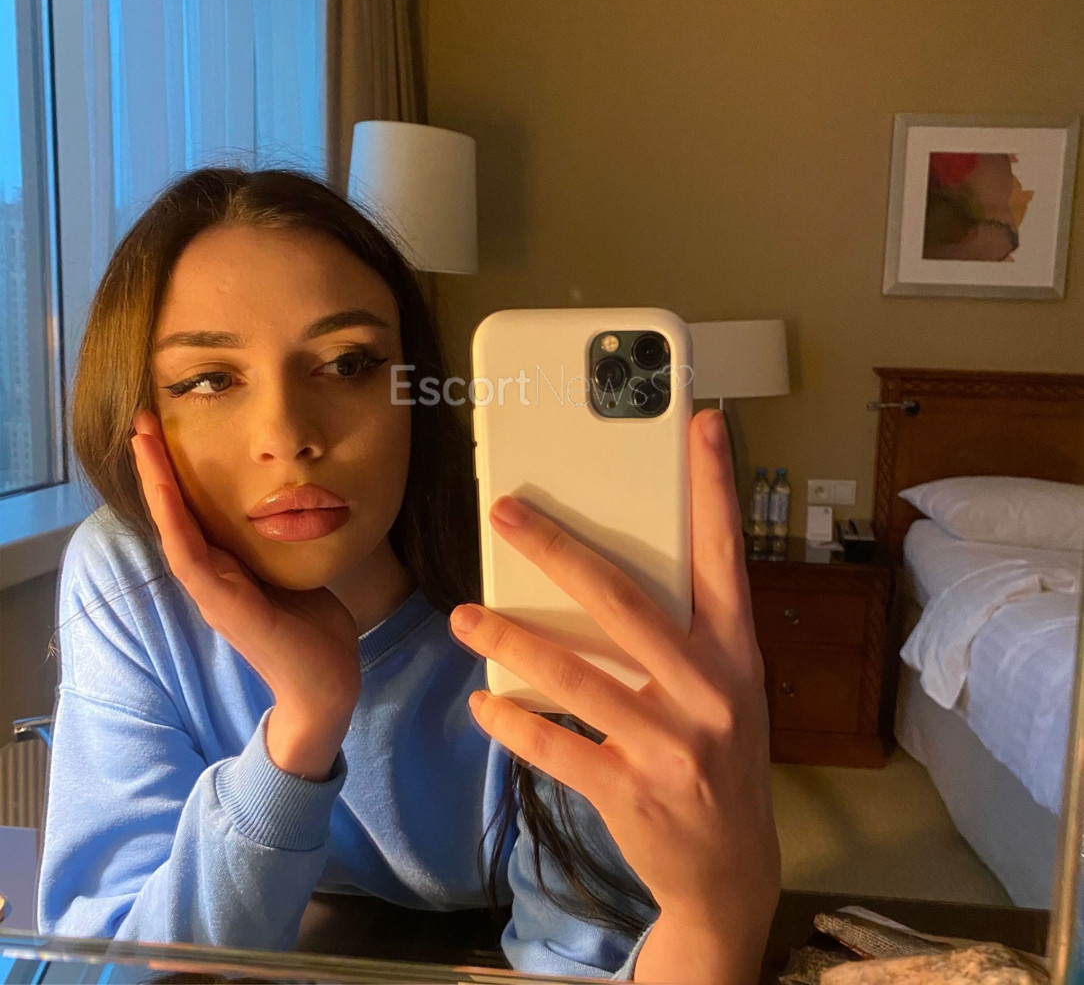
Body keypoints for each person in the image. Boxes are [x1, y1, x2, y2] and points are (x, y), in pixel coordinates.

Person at [37, 167, 780, 984]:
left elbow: (584, 962)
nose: (285, 436)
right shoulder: (128, 577)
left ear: (416, 394)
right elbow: (101, 963)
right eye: (210, 380)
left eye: (348, 364)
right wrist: (301, 729)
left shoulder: (537, 580)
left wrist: (720, 917)